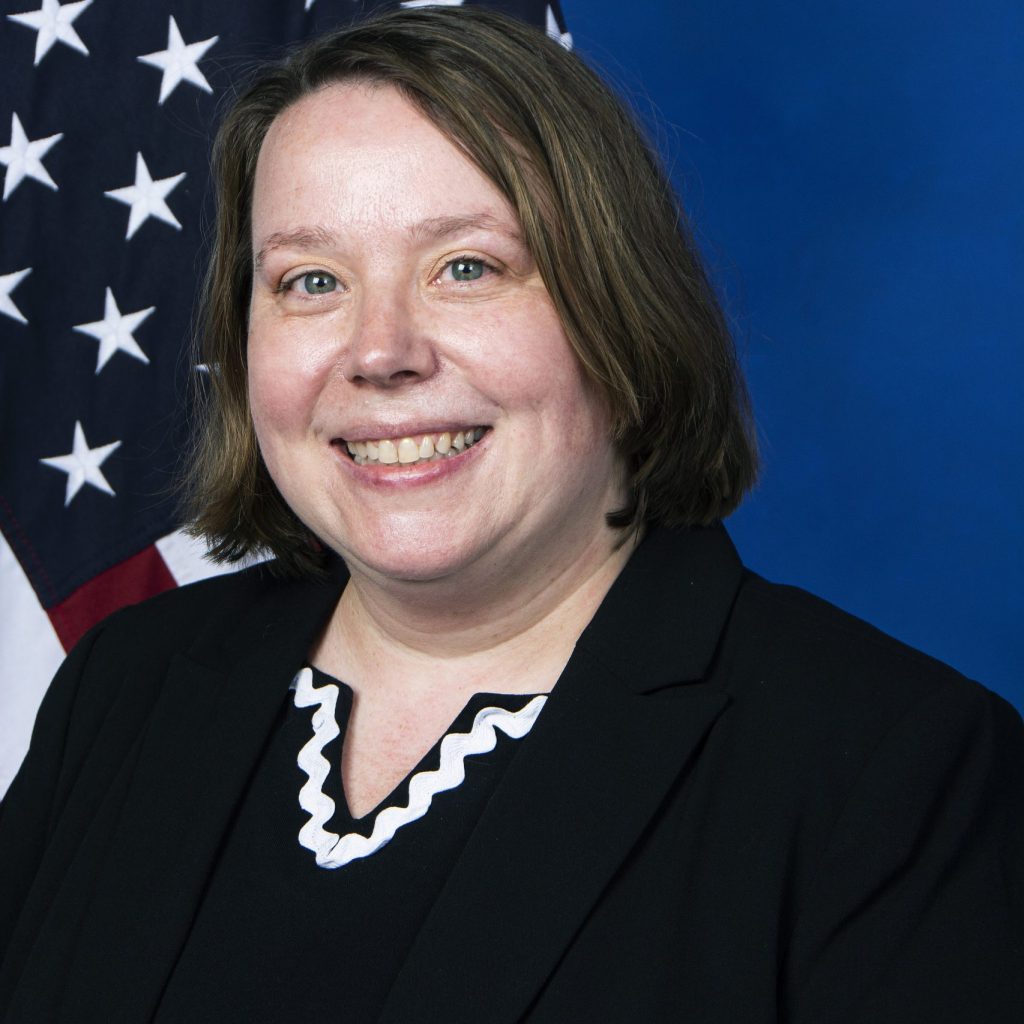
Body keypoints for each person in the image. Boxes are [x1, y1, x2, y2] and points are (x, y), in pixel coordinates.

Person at [0, 7, 1021, 1022]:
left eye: (467, 268)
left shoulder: (889, 769)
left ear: (617, 310)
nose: (379, 350)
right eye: (311, 281)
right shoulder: (125, 686)